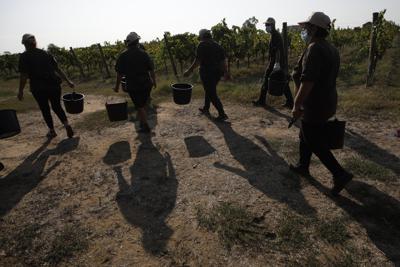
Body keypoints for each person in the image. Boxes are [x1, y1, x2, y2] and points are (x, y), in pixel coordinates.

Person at [289, 12, 353, 196]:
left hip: (315, 103)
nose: (304, 30)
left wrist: (297, 105)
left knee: (313, 140)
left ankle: (340, 174)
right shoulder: (330, 48)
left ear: (316, 28)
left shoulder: (315, 48)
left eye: (307, 27)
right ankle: (303, 165)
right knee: (305, 133)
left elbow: (308, 81)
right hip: (327, 100)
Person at [18, 34, 74, 139]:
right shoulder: (46, 53)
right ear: (35, 43)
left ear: (24, 44)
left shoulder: (24, 56)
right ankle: (67, 125)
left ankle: (52, 131)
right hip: (54, 85)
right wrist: (68, 81)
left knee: (45, 109)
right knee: (57, 106)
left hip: (38, 88)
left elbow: (23, 76)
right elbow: (57, 69)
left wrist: (20, 91)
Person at [114, 32, 156, 133]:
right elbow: (151, 70)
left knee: (139, 106)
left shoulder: (123, 56)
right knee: (143, 104)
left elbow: (119, 74)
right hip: (146, 84)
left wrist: (116, 87)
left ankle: (145, 126)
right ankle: (143, 122)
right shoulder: (144, 53)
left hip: (133, 85)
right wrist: (154, 81)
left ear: (128, 43)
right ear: (137, 41)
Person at [184, 29, 230, 121]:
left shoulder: (202, 44)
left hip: (207, 72)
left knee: (211, 92)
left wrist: (189, 70)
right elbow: (223, 61)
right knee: (209, 89)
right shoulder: (217, 45)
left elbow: (198, 61)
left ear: (202, 36)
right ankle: (206, 108)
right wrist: (226, 72)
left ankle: (222, 114)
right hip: (217, 73)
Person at [252, 17, 294, 108]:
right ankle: (290, 101)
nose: (266, 26)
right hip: (275, 62)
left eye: (268, 25)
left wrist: (277, 63)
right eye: (266, 25)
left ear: (273, 25)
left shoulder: (276, 35)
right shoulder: (273, 35)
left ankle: (262, 100)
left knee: (268, 78)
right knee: (282, 81)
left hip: (276, 62)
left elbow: (278, 50)